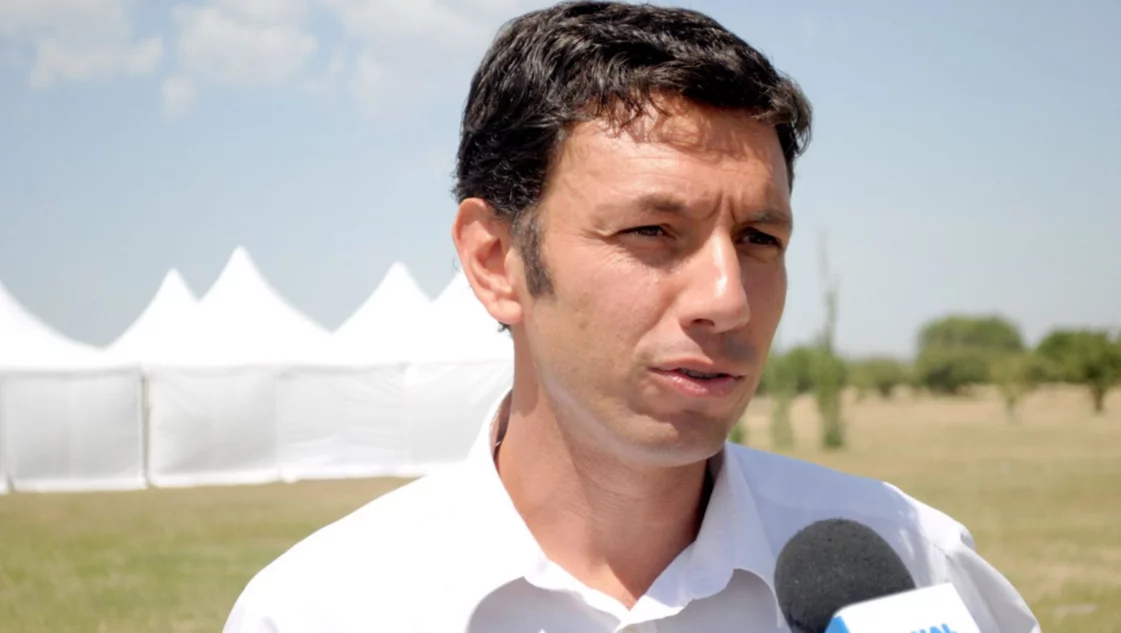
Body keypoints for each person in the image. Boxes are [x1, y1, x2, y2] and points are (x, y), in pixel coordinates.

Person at [223, 2, 1040, 631]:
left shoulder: (907, 562)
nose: (727, 299)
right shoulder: (321, 608)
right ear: (494, 260)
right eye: (651, 231)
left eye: (758, 238)